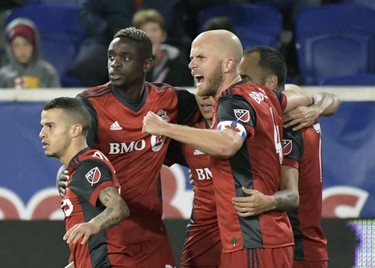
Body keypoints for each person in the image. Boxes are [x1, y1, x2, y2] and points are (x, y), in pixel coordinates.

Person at [142, 29, 313, 267]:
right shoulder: (262, 95)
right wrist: (312, 106)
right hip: (267, 237)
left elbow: (228, 143)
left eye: (201, 58)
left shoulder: (232, 100)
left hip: (252, 236)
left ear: (228, 64)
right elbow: (300, 96)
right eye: (191, 58)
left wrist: (164, 128)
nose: (191, 64)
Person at [57, 27, 200, 267]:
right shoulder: (90, 104)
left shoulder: (171, 100)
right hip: (106, 234)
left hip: (151, 233)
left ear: (147, 64)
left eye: (125, 57)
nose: (115, 64)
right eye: (111, 57)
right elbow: (79, 153)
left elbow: (212, 115)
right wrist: (63, 173)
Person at [233, 45, 341, 268]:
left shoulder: (288, 124)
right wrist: (316, 109)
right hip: (305, 246)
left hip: (295, 249)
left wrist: (267, 201)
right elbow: (327, 97)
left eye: (245, 78)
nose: (239, 84)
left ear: (271, 83)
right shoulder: (294, 104)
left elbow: (291, 195)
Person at [39, 97, 130, 267]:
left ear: (75, 130)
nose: (42, 133)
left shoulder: (88, 166)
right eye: (42, 127)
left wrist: (92, 225)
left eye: (50, 126)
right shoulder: (80, 167)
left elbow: (119, 207)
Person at [68, 0, 189, 87]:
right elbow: (87, 12)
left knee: (185, 60)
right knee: (88, 64)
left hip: (164, 39)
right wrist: (107, 29)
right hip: (108, 39)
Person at [132, 9, 193, 87]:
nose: (150, 35)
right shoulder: (130, 64)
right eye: (144, 30)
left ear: (163, 36)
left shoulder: (178, 62)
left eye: (154, 30)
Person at [0, 17, 60, 89]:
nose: (22, 50)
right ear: (10, 48)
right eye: (16, 45)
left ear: (34, 45)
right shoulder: (3, 75)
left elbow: (56, 98)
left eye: (26, 44)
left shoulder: (47, 72)